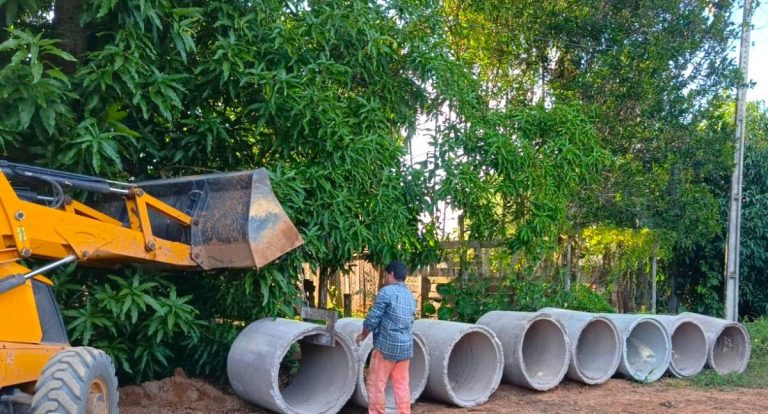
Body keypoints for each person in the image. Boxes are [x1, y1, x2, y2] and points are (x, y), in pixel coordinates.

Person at [356, 260, 416, 414]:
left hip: (386, 348)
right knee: (402, 385)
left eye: (386, 274)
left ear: (392, 274)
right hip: (405, 348)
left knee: (376, 384)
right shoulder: (410, 295)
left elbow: (372, 320)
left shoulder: (386, 292)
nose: (385, 278)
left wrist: (363, 335)